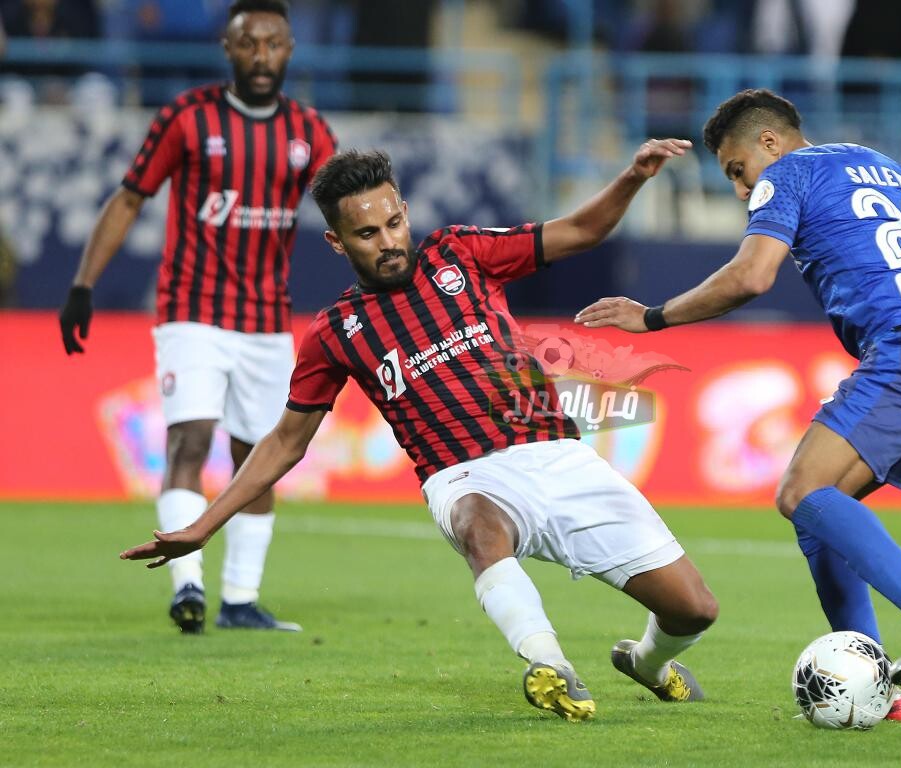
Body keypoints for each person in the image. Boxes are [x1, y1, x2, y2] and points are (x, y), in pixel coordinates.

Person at [120, 142, 718, 721]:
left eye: (391, 223)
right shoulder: (336, 332)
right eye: (366, 234)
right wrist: (204, 525)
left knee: (694, 610)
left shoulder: (462, 254)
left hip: (557, 454)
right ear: (336, 241)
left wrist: (634, 175)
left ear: (404, 212)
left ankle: (645, 661)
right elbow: (285, 442)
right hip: (462, 474)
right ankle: (550, 664)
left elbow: (580, 232)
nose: (386, 242)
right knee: (481, 529)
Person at [576, 88, 901, 720]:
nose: (740, 189)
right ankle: (877, 688)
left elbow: (752, 276)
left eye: (736, 170)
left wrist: (653, 316)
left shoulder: (786, 173)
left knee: (799, 492)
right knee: (820, 516)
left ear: (769, 143)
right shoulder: (881, 167)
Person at [60, 0, 337, 634]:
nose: (261, 56)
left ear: (290, 50)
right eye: (249, 43)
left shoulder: (312, 134)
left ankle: (240, 601)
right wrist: (83, 284)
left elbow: (345, 215)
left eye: (274, 44)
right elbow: (130, 197)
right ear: (228, 48)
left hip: (266, 322)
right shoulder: (187, 118)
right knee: (189, 438)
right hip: (192, 312)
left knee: (259, 455)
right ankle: (187, 587)